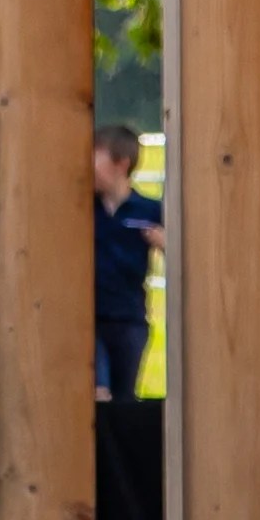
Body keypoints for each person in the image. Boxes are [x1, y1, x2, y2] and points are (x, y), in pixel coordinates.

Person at [92, 122, 164, 399]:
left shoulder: (149, 210)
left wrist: (164, 242)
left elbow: (187, 259)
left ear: (121, 164)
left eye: (95, 157)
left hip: (129, 318)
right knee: (98, 392)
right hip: (90, 319)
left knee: (123, 400)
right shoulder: (83, 209)